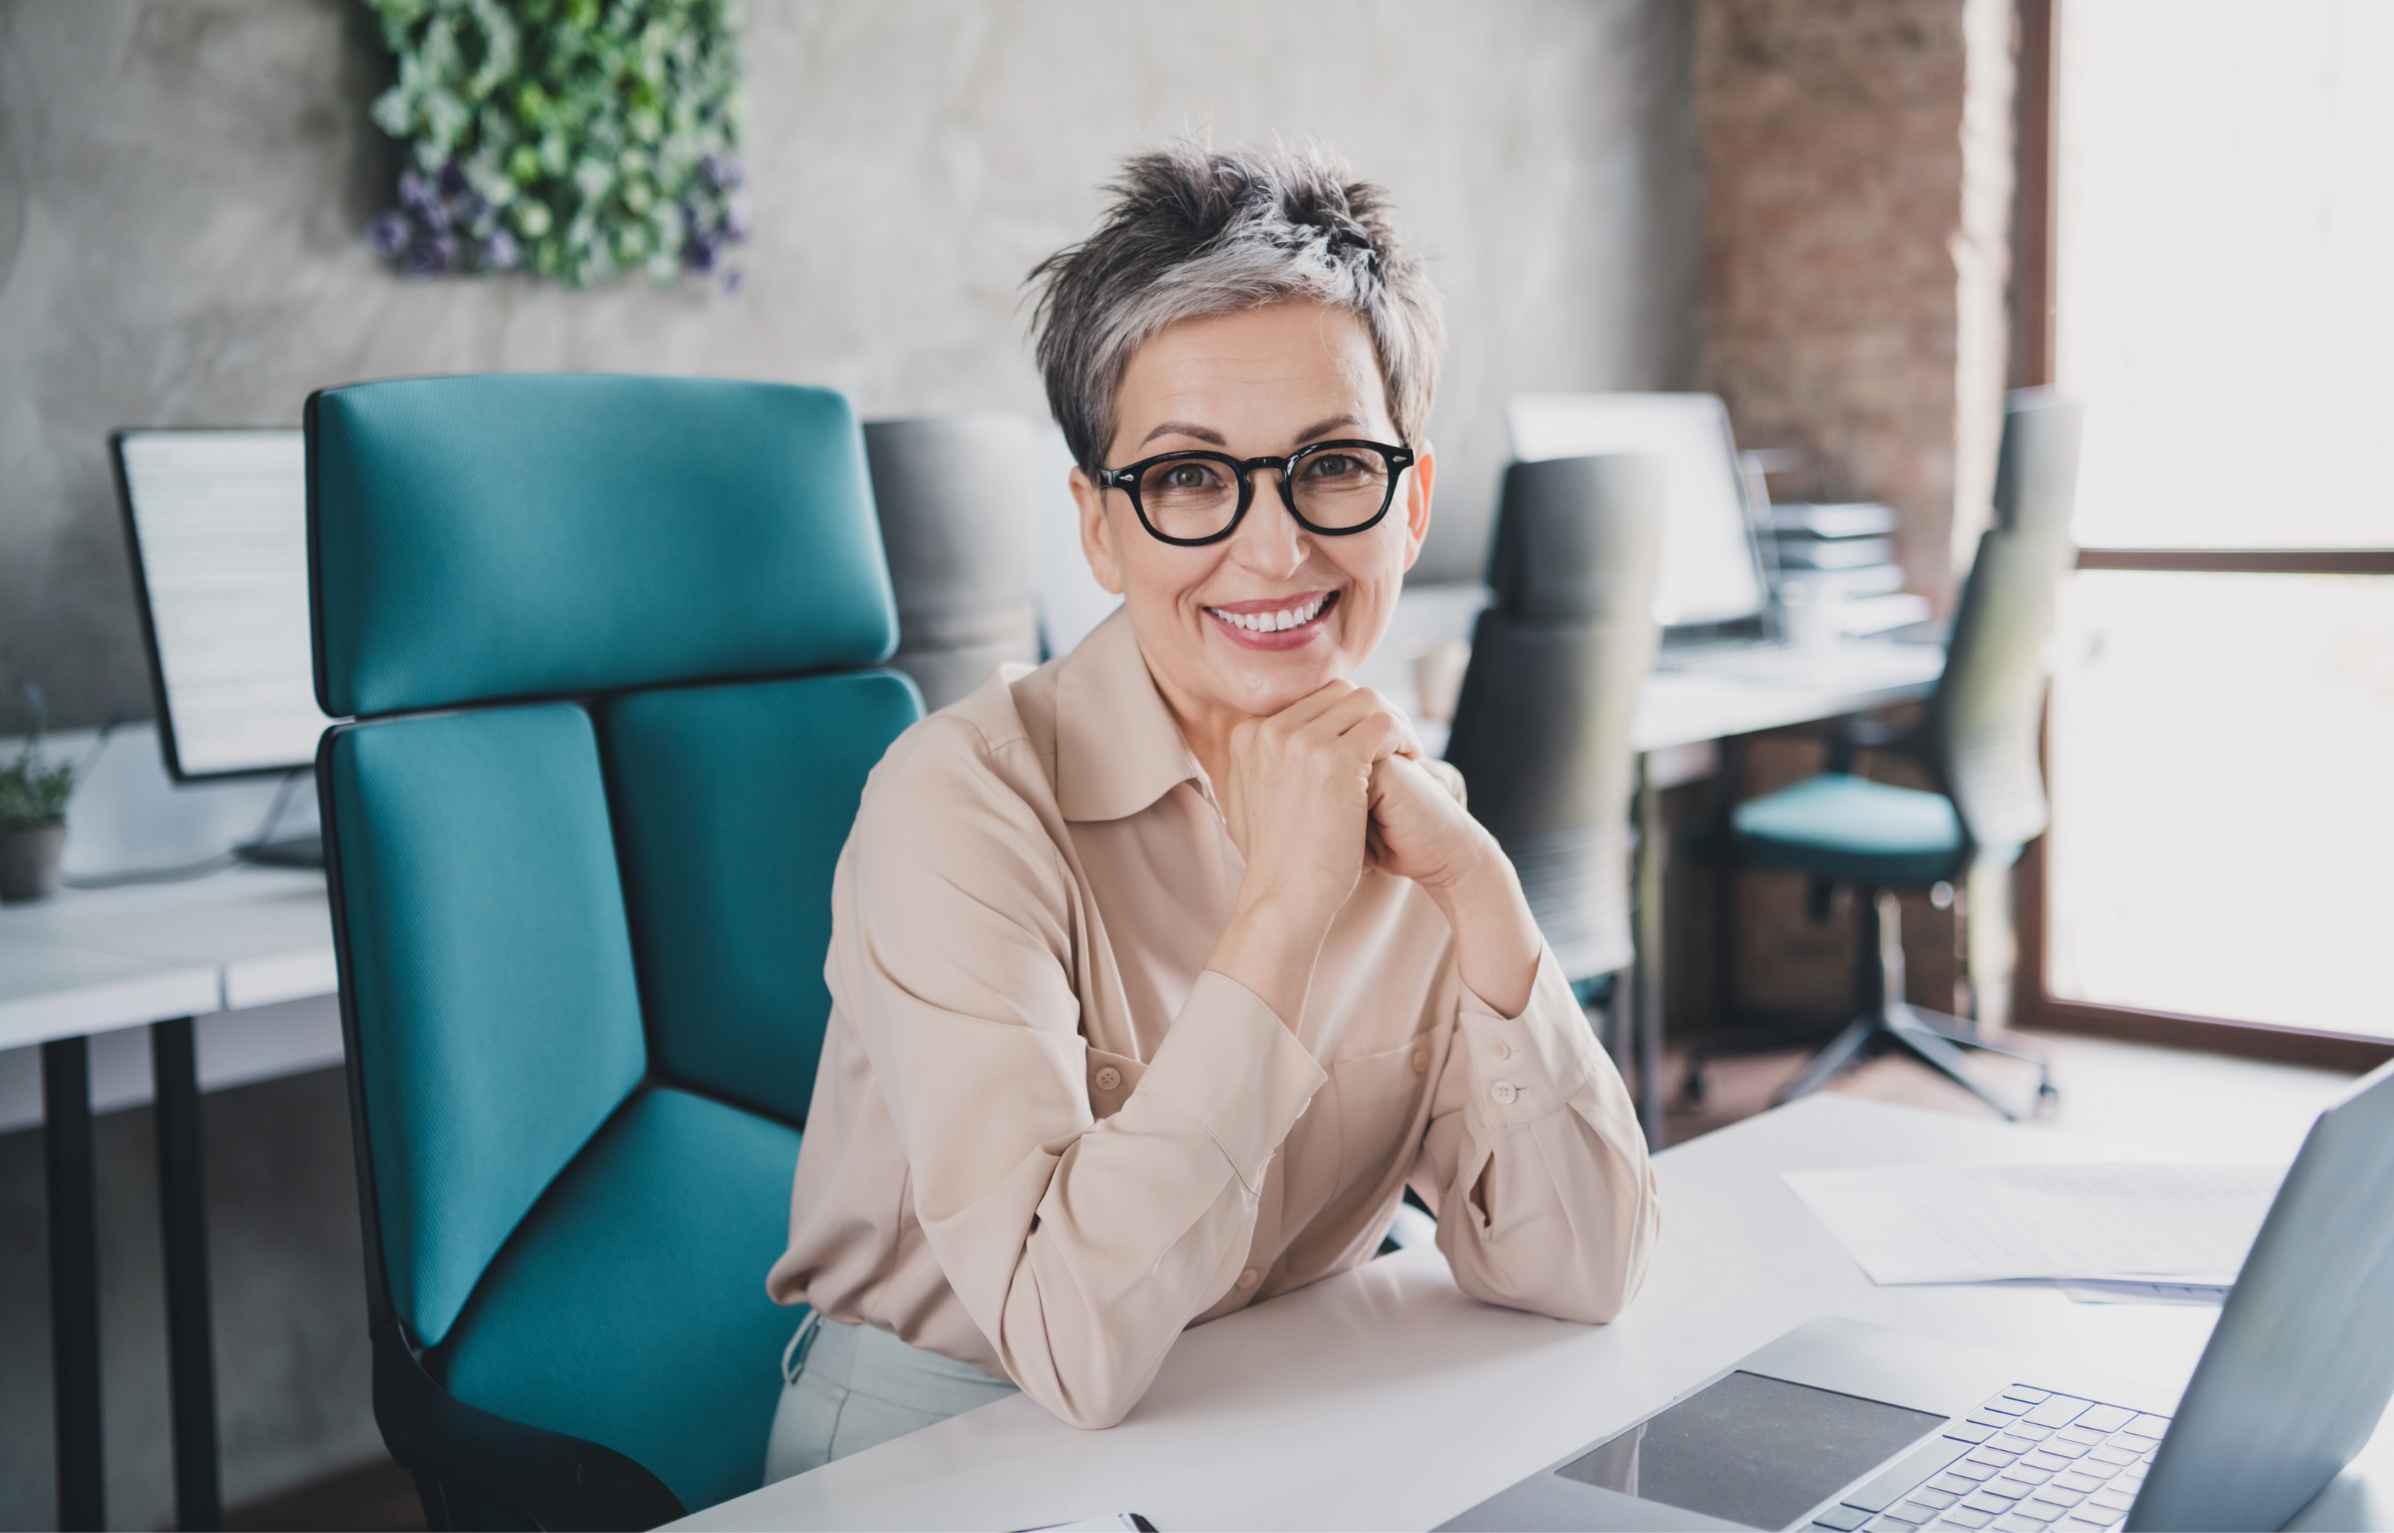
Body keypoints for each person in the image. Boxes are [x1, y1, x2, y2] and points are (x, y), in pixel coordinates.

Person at [762, 138, 1659, 1481]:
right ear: (1099, 527)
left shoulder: (1411, 808)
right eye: (1186, 477)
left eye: (1334, 464)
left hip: (1283, 1398)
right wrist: (1285, 911)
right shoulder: (957, 803)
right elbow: (1067, 1341)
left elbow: (1582, 1267)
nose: (1273, 545)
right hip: (946, 1439)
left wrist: (1479, 890)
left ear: (1408, 501)